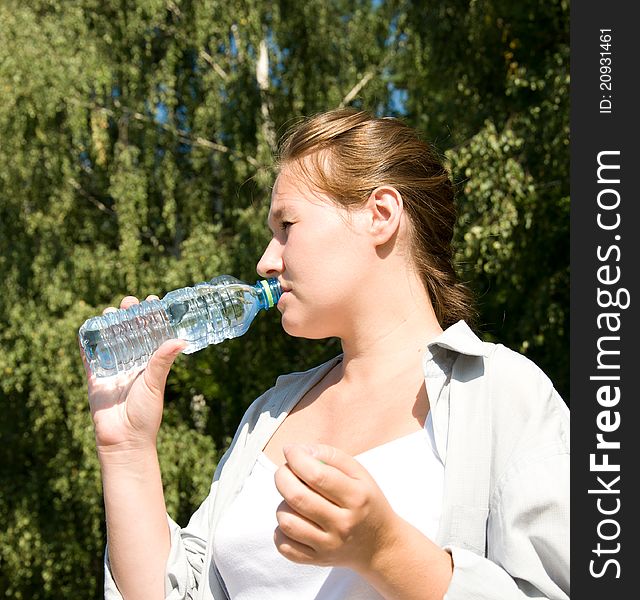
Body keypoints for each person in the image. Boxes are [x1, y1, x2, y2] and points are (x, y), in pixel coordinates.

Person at [81, 108, 570, 600]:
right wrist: (126, 450)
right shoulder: (269, 416)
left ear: (380, 216)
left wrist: (385, 550)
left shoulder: (502, 394)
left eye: (286, 226)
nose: (266, 261)